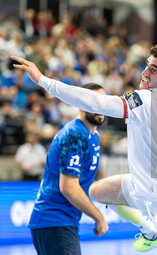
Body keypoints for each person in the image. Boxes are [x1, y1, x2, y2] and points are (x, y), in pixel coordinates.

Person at [12, 7, 157, 254]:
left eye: (154, 70)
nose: (145, 73)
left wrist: (43, 80)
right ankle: (149, 232)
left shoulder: (147, 100)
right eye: (148, 65)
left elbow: (95, 102)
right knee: (97, 191)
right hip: (145, 190)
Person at [28, 83, 109, 255]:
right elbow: (68, 187)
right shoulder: (75, 135)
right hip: (54, 220)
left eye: (103, 101)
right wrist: (98, 217)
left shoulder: (92, 135)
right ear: (80, 104)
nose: (99, 106)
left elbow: (83, 181)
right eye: (93, 101)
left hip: (63, 221)